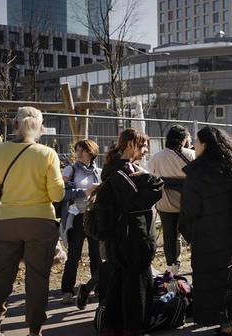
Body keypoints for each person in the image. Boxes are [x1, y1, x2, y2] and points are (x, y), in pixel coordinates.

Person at [0, 107, 64, 336]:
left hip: (7, 222)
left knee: (2, 277)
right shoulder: (47, 154)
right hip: (40, 222)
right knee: (37, 278)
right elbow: (57, 195)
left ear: (15, 125)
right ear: (40, 128)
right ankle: (34, 331)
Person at [180, 127, 232, 335]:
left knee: (214, 283)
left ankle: (227, 328)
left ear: (206, 144)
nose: (194, 145)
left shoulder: (196, 173)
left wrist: (189, 234)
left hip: (206, 239)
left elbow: (189, 210)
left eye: (197, 142)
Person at [93, 128, 163, 336]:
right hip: (131, 237)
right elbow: (138, 200)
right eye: (142, 146)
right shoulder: (123, 171)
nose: (145, 151)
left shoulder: (112, 168)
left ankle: (112, 327)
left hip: (119, 236)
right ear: (130, 144)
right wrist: (152, 179)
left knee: (119, 282)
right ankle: (134, 329)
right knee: (137, 286)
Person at [59, 139, 102, 306]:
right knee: (74, 255)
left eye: (83, 150)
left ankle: (97, 287)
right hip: (77, 217)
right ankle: (67, 290)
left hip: (94, 216)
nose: (79, 153)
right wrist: (84, 192)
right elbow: (61, 193)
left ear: (91, 153)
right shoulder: (70, 169)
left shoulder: (98, 171)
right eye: (77, 150)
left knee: (96, 256)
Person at [147, 125, 195, 274]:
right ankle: (197, 262)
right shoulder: (192, 155)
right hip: (187, 203)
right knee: (193, 234)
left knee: (170, 235)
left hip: (165, 203)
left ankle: (172, 266)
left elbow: (151, 175)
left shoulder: (157, 156)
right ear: (183, 139)